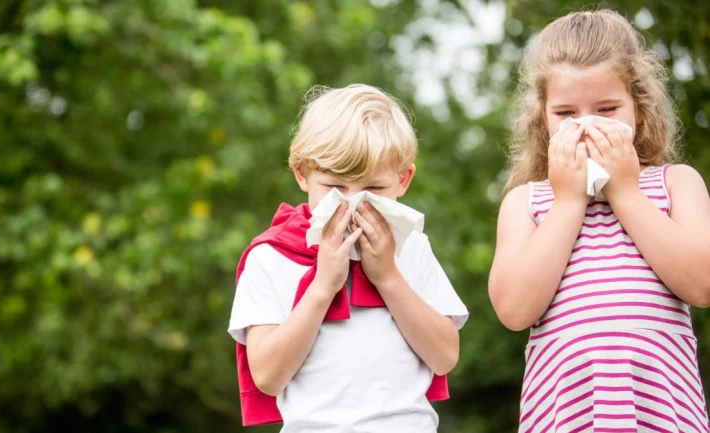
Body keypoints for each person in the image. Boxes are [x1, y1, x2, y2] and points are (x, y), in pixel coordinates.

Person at [489, 9, 710, 432]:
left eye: (607, 109)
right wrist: (569, 202)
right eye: (566, 114)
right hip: (567, 415)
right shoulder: (527, 202)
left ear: (639, 109)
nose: (587, 127)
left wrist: (625, 191)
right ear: (543, 119)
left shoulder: (676, 183)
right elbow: (514, 311)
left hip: (660, 412)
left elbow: (701, 285)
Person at [228, 84, 469, 432]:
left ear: (404, 180)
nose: (353, 204)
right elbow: (267, 376)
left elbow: (445, 357)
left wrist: (387, 276)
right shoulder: (271, 257)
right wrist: (324, 284)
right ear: (302, 174)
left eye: (373, 190)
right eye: (336, 187)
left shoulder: (412, 248)